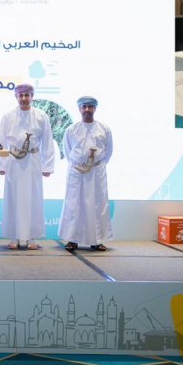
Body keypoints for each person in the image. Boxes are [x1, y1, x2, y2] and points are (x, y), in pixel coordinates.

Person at [0, 84, 55, 250]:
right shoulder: (8, 116)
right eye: (20, 95)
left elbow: (48, 141)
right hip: (13, 161)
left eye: (27, 95)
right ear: (16, 97)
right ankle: (14, 237)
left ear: (32, 96)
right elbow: (1, 141)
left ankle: (31, 237)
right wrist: (2, 163)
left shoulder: (41, 116)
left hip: (33, 161)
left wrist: (48, 166)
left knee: (33, 199)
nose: (24, 98)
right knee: (13, 198)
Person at [58, 96, 113, 252]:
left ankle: (97, 240)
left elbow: (108, 152)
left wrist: (94, 166)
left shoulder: (104, 129)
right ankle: (72, 239)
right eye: (84, 107)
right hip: (76, 171)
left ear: (95, 108)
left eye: (90, 106)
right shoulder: (71, 129)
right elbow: (67, 151)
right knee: (74, 203)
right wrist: (81, 165)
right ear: (79, 109)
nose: (87, 110)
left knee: (98, 204)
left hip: (96, 172)